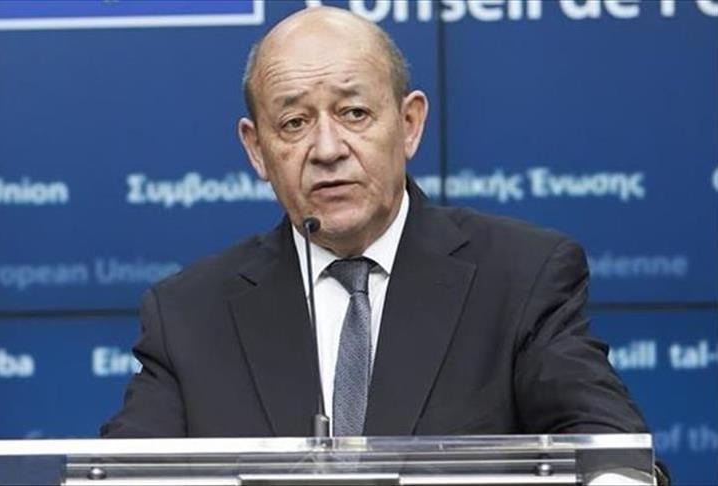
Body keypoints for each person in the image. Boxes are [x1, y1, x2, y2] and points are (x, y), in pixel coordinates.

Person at [101, 6, 647, 440]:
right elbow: (122, 472)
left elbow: (603, 441)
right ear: (257, 149)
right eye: (294, 122)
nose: (327, 149)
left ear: (409, 124)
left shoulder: (521, 278)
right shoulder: (188, 315)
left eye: (354, 113)